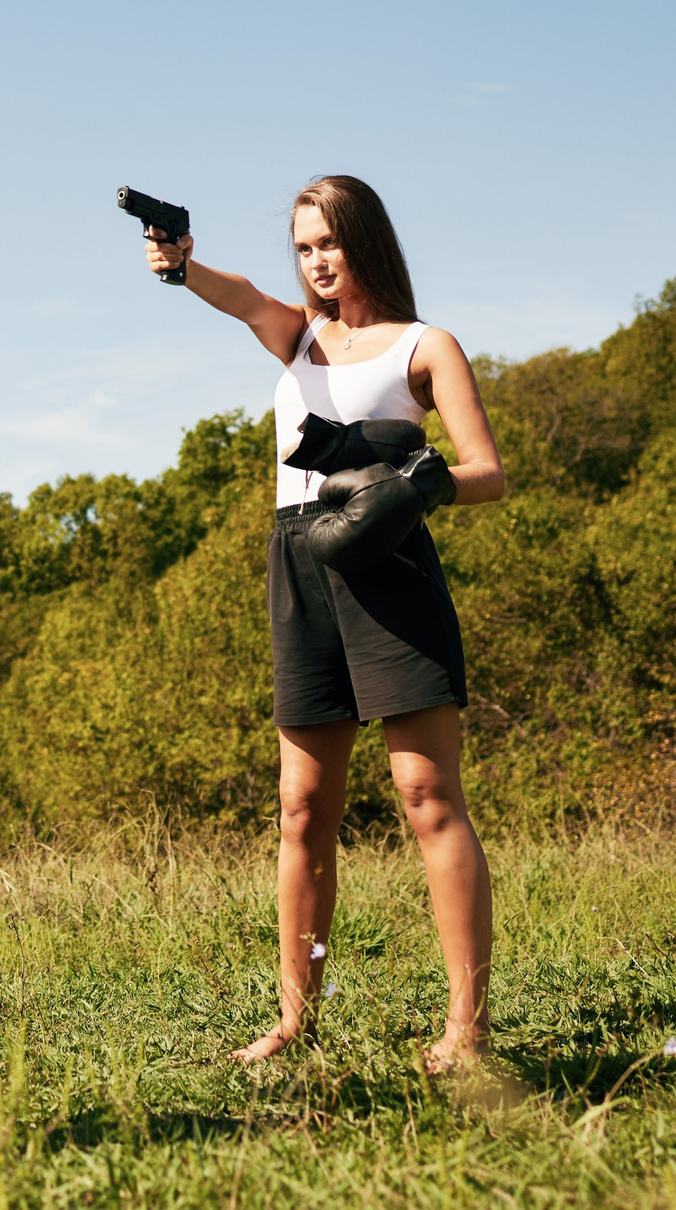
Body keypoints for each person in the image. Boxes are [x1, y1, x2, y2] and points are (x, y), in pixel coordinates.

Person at [141, 175, 507, 1072]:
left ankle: (466, 1027)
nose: (317, 261)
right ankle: (296, 1019)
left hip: (389, 564)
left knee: (428, 799)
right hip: (299, 561)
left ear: (366, 242)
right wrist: (179, 263)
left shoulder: (427, 345)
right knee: (303, 809)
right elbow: (240, 298)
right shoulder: (296, 337)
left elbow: (488, 471)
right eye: (304, 247)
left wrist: (408, 485)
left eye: (330, 243)